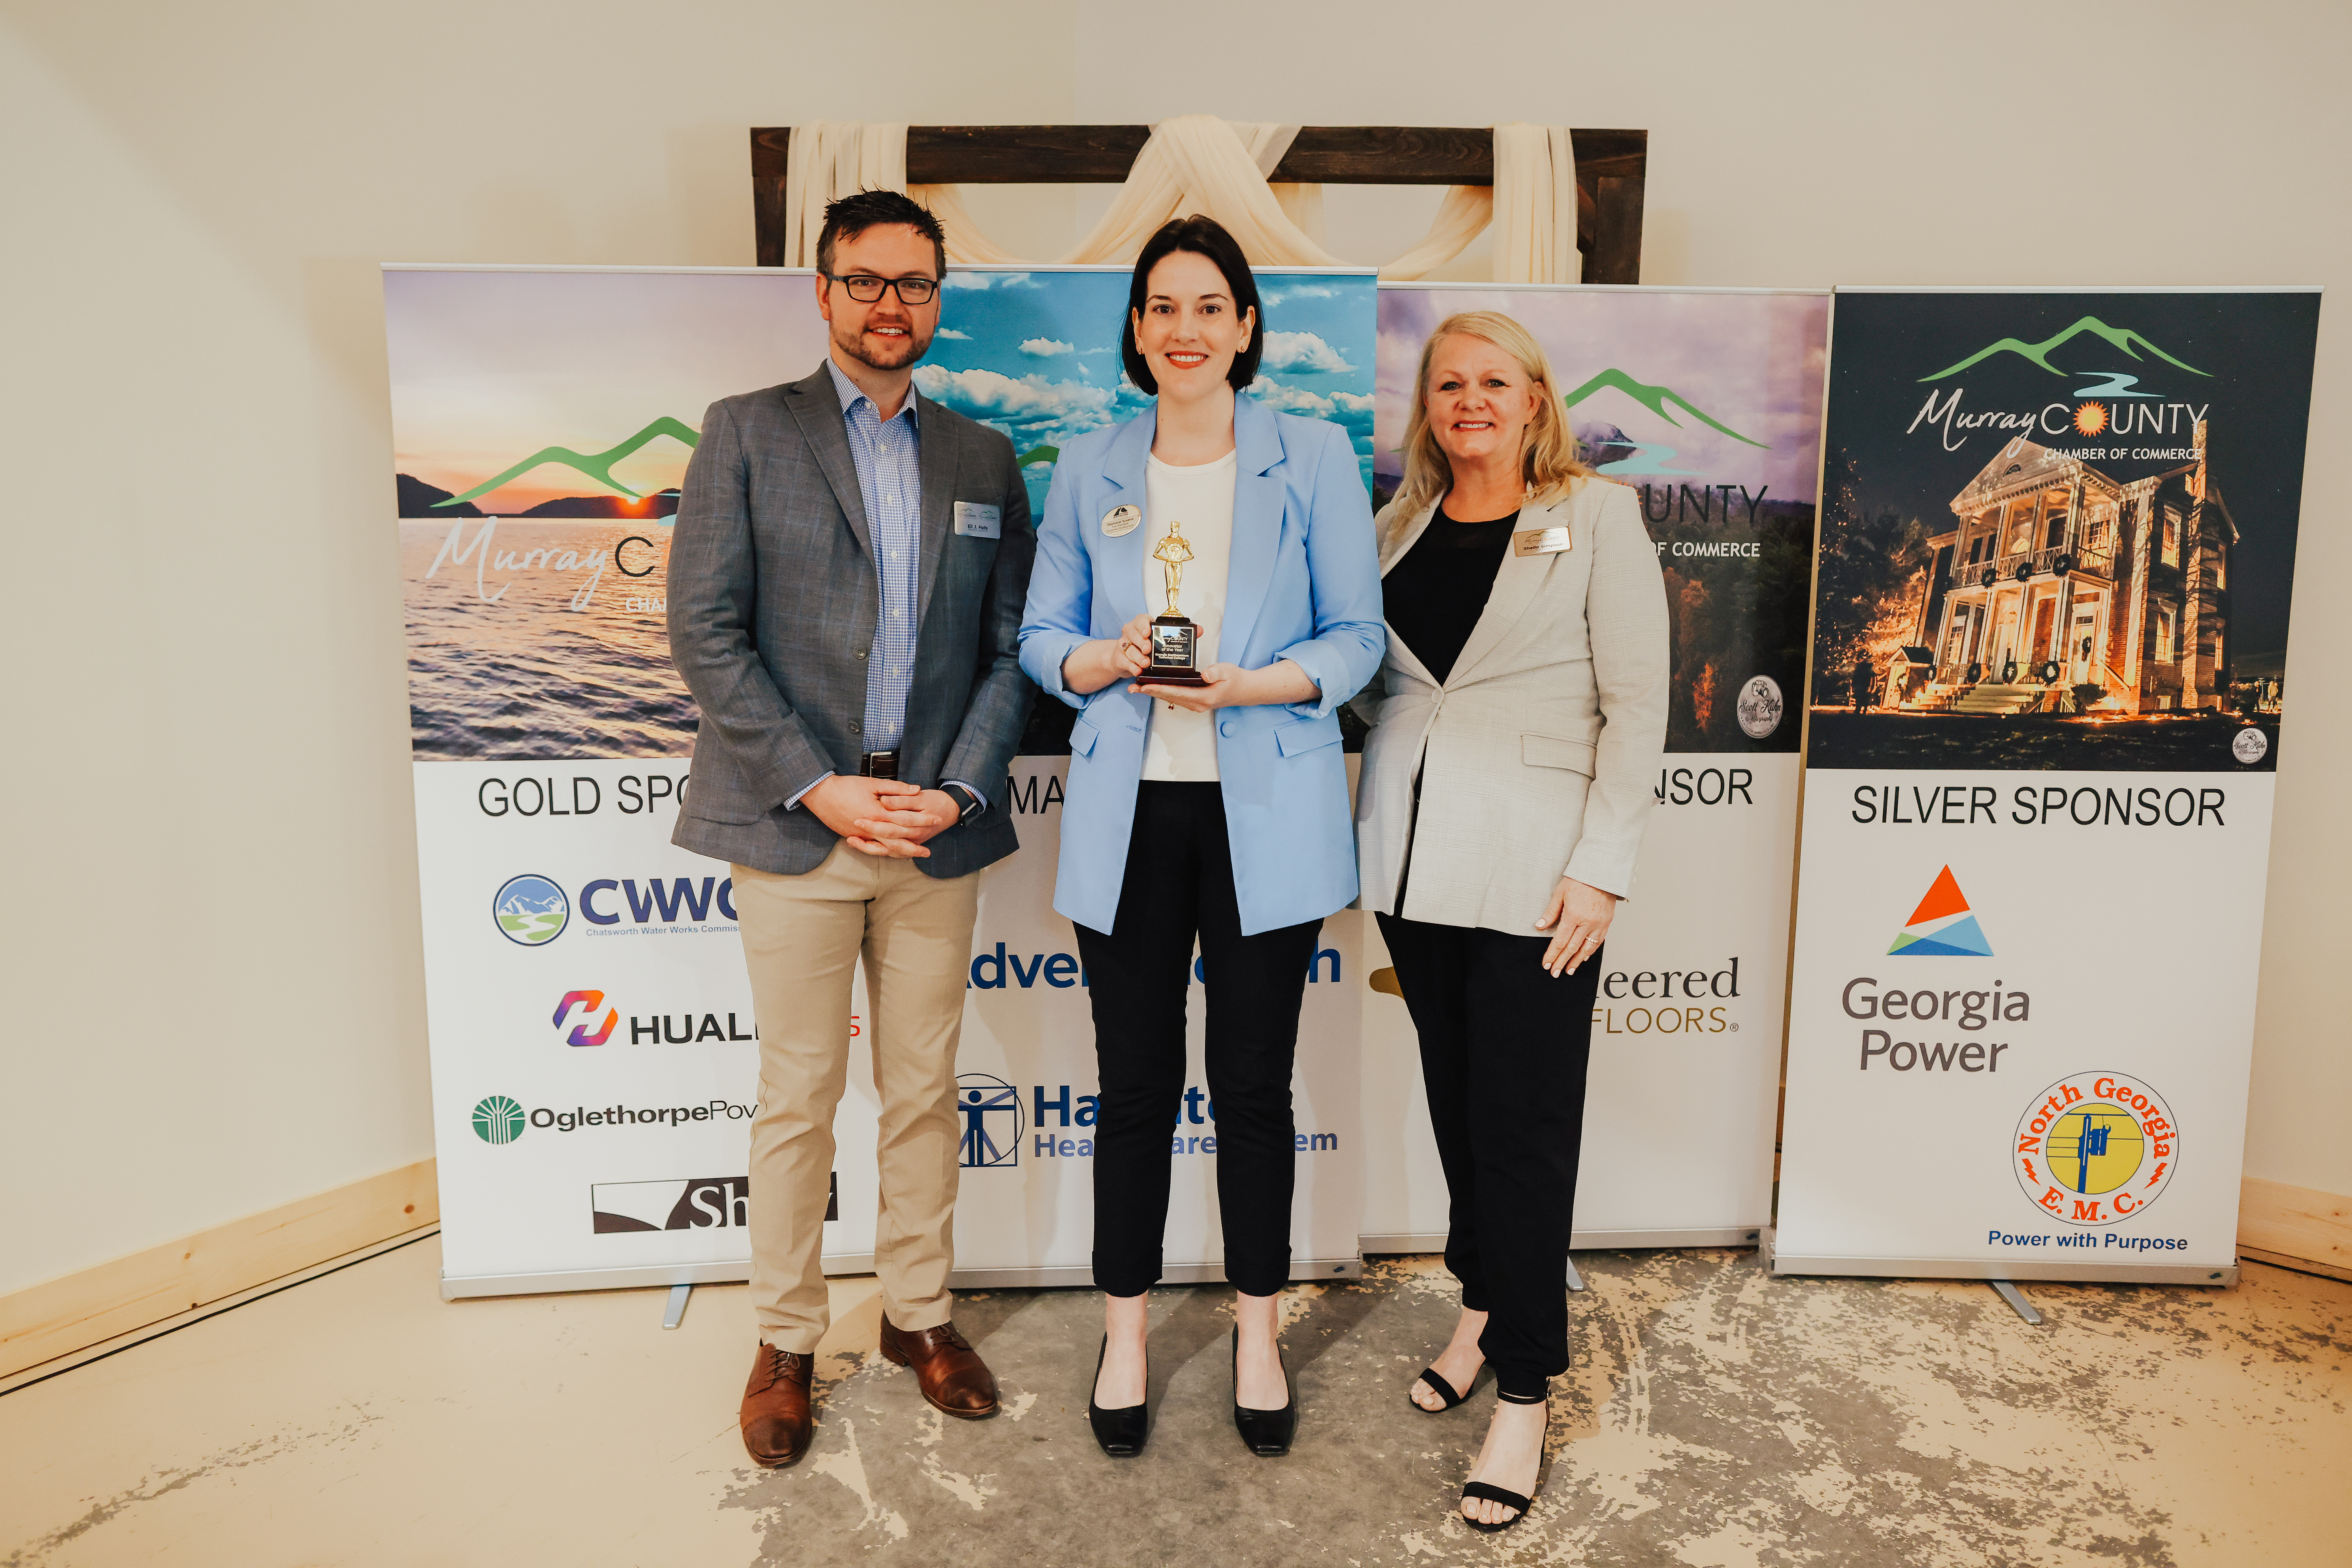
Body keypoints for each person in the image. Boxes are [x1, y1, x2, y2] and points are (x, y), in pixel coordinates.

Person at [666, 189, 1036, 1470]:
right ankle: (785, 1338)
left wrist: (961, 785)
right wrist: (820, 786)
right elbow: (704, 636)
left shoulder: (984, 458)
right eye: (868, 282)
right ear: (822, 294)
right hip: (802, 828)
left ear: (940, 298)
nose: (893, 305)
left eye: (916, 284)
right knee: (799, 1098)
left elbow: (1010, 649)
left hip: (932, 831)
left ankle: (920, 1317)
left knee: (924, 1090)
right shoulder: (746, 434)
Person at [1017, 215, 1384, 1460]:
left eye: (1210, 306)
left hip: (1266, 811)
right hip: (1131, 814)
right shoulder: (1089, 464)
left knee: (1254, 1093)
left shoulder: (1316, 457)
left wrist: (1252, 686)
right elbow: (1037, 638)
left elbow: (1357, 639)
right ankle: (1124, 1333)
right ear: (1137, 328)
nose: (1186, 330)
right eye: (1163, 307)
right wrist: (1097, 660)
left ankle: (1257, 1329)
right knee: (1132, 1089)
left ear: (1244, 326)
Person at [1352, 311, 1666, 1531]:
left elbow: (1637, 709)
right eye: (1449, 384)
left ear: (1536, 400)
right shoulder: (1400, 526)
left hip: (1544, 876)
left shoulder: (1598, 518)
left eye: (1495, 382)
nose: (1470, 401)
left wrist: (1603, 871)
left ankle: (1528, 1385)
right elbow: (1382, 683)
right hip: (1416, 861)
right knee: (1457, 1106)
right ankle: (1481, 1303)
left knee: (1525, 1131)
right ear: (1428, 406)